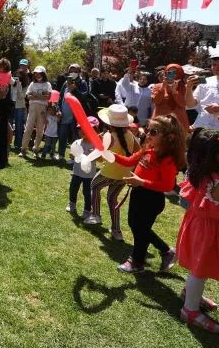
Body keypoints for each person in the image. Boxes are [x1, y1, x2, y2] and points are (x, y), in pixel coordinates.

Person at [176, 128, 219, 333]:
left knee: (197, 266)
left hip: (196, 226)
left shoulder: (199, 172)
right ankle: (190, 310)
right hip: (209, 231)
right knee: (201, 268)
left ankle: (190, 293)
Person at [115, 114, 186, 273]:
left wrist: (141, 182)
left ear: (169, 137)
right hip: (138, 193)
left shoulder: (168, 159)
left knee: (141, 229)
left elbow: (168, 185)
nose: (148, 134)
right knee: (136, 226)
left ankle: (137, 261)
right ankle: (166, 251)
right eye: (148, 130)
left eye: (154, 132)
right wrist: (108, 155)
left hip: (152, 199)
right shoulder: (148, 148)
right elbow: (129, 161)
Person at [84, 105, 140, 241]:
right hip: (124, 174)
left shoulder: (109, 136)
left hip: (109, 173)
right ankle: (117, 231)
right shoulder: (130, 135)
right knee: (112, 200)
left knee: (94, 186)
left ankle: (96, 215)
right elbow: (138, 150)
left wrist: (93, 153)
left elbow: (101, 158)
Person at [67, 116, 99, 217]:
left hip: (89, 174)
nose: (83, 131)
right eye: (81, 129)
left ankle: (87, 209)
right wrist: (72, 155)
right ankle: (72, 203)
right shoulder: (77, 142)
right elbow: (72, 154)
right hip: (77, 172)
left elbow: (100, 159)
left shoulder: (95, 145)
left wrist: (94, 154)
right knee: (73, 188)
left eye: (87, 129)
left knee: (87, 193)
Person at [21, 66, 51, 157]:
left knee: (40, 129)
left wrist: (36, 95)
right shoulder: (32, 84)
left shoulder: (47, 84)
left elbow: (48, 97)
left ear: (43, 74)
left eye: (39, 73)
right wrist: (41, 95)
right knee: (28, 128)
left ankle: (36, 148)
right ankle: (23, 149)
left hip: (42, 108)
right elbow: (28, 96)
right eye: (36, 73)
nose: (37, 75)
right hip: (32, 107)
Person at [150, 64, 189, 131]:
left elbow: (183, 104)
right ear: (166, 73)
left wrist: (174, 91)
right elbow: (156, 101)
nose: (172, 75)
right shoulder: (157, 86)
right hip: (160, 121)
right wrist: (162, 88)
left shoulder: (183, 87)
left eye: (175, 72)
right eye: (170, 72)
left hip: (178, 122)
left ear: (180, 74)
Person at [12, 67, 30, 151]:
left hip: (19, 107)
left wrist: (18, 86)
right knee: (10, 124)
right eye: (16, 76)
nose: (17, 78)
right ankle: (10, 143)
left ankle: (18, 144)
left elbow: (21, 97)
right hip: (11, 106)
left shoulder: (26, 86)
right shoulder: (13, 83)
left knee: (19, 126)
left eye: (19, 76)